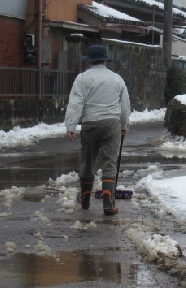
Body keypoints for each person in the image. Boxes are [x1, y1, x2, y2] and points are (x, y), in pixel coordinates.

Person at [65, 44, 130, 216]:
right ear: (105, 60)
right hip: (112, 124)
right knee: (110, 162)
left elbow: (76, 102)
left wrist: (71, 125)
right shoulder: (117, 79)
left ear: (90, 62)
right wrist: (124, 126)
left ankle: (85, 198)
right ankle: (109, 203)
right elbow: (124, 107)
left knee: (88, 161)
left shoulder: (82, 78)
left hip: (90, 123)